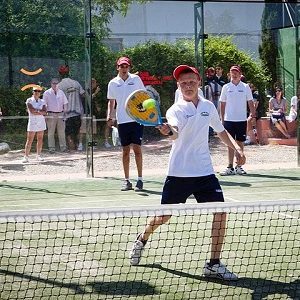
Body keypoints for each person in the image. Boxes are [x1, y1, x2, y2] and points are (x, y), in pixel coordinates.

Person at [129, 65, 246, 281]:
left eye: (191, 81)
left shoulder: (208, 106)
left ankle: (213, 263)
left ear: (198, 82)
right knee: (164, 216)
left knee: (221, 212)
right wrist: (168, 131)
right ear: (178, 86)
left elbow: (220, 130)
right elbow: (174, 132)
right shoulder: (176, 110)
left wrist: (237, 148)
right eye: (183, 83)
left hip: (204, 172)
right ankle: (142, 238)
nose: (188, 85)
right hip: (179, 173)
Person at [107, 56, 146, 191]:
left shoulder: (136, 79)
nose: (124, 68)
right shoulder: (113, 83)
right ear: (117, 67)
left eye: (126, 66)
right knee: (125, 151)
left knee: (137, 149)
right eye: (121, 66)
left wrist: (143, 111)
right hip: (122, 121)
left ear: (129, 67)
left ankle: (140, 180)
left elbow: (143, 95)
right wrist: (109, 115)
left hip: (137, 120)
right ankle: (127, 181)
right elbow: (111, 101)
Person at [219, 65, 256, 176]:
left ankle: (239, 166)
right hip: (228, 120)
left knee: (240, 142)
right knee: (230, 143)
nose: (234, 74)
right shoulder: (226, 87)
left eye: (236, 73)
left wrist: (252, 114)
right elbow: (222, 103)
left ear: (240, 75)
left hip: (241, 120)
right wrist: (222, 119)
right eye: (232, 72)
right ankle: (230, 167)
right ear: (229, 74)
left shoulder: (245, 87)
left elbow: (250, 101)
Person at [57, 65, 85, 151]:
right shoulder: (76, 83)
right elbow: (83, 95)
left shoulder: (59, 86)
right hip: (78, 112)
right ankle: (77, 148)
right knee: (76, 132)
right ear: (69, 73)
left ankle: (72, 151)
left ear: (60, 74)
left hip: (67, 114)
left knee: (68, 134)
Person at [43, 78, 68, 153]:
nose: (55, 84)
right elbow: (44, 104)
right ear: (51, 84)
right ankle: (51, 148)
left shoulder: (61, 92)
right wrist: (45, 114)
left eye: (56, 83)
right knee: (51, 131)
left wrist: (65, 112)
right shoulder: (47, 93)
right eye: (53, 83)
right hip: (51, 113)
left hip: (60, 114)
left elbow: (65, 103)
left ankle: (63, 148)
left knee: (62, 132)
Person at [22, 87, 47, 163]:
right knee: (29, 140)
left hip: (41, 122)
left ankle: (38, 156)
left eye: (38, 91)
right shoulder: (29, 100)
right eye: (35, 91)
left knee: (40, 139)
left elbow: (45, 112)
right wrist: (40, 111)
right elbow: (32, 111)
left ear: (40, 93)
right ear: (33, 92)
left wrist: (37, 111)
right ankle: (26, 157)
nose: (37, 92)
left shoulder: (42, 101)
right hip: (32, 122)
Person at [78, 78, 100, 151]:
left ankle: (92, 145)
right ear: (91, 83)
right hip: (85, 113)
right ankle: (80, 144)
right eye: (94, 83)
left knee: (93, 130)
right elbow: (88, 99)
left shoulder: (92, 91)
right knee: (83, 129)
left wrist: (97, 107)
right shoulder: (85, 91)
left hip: (92, 114)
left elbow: (93, 101)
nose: (96, 85)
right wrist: (95, 93)